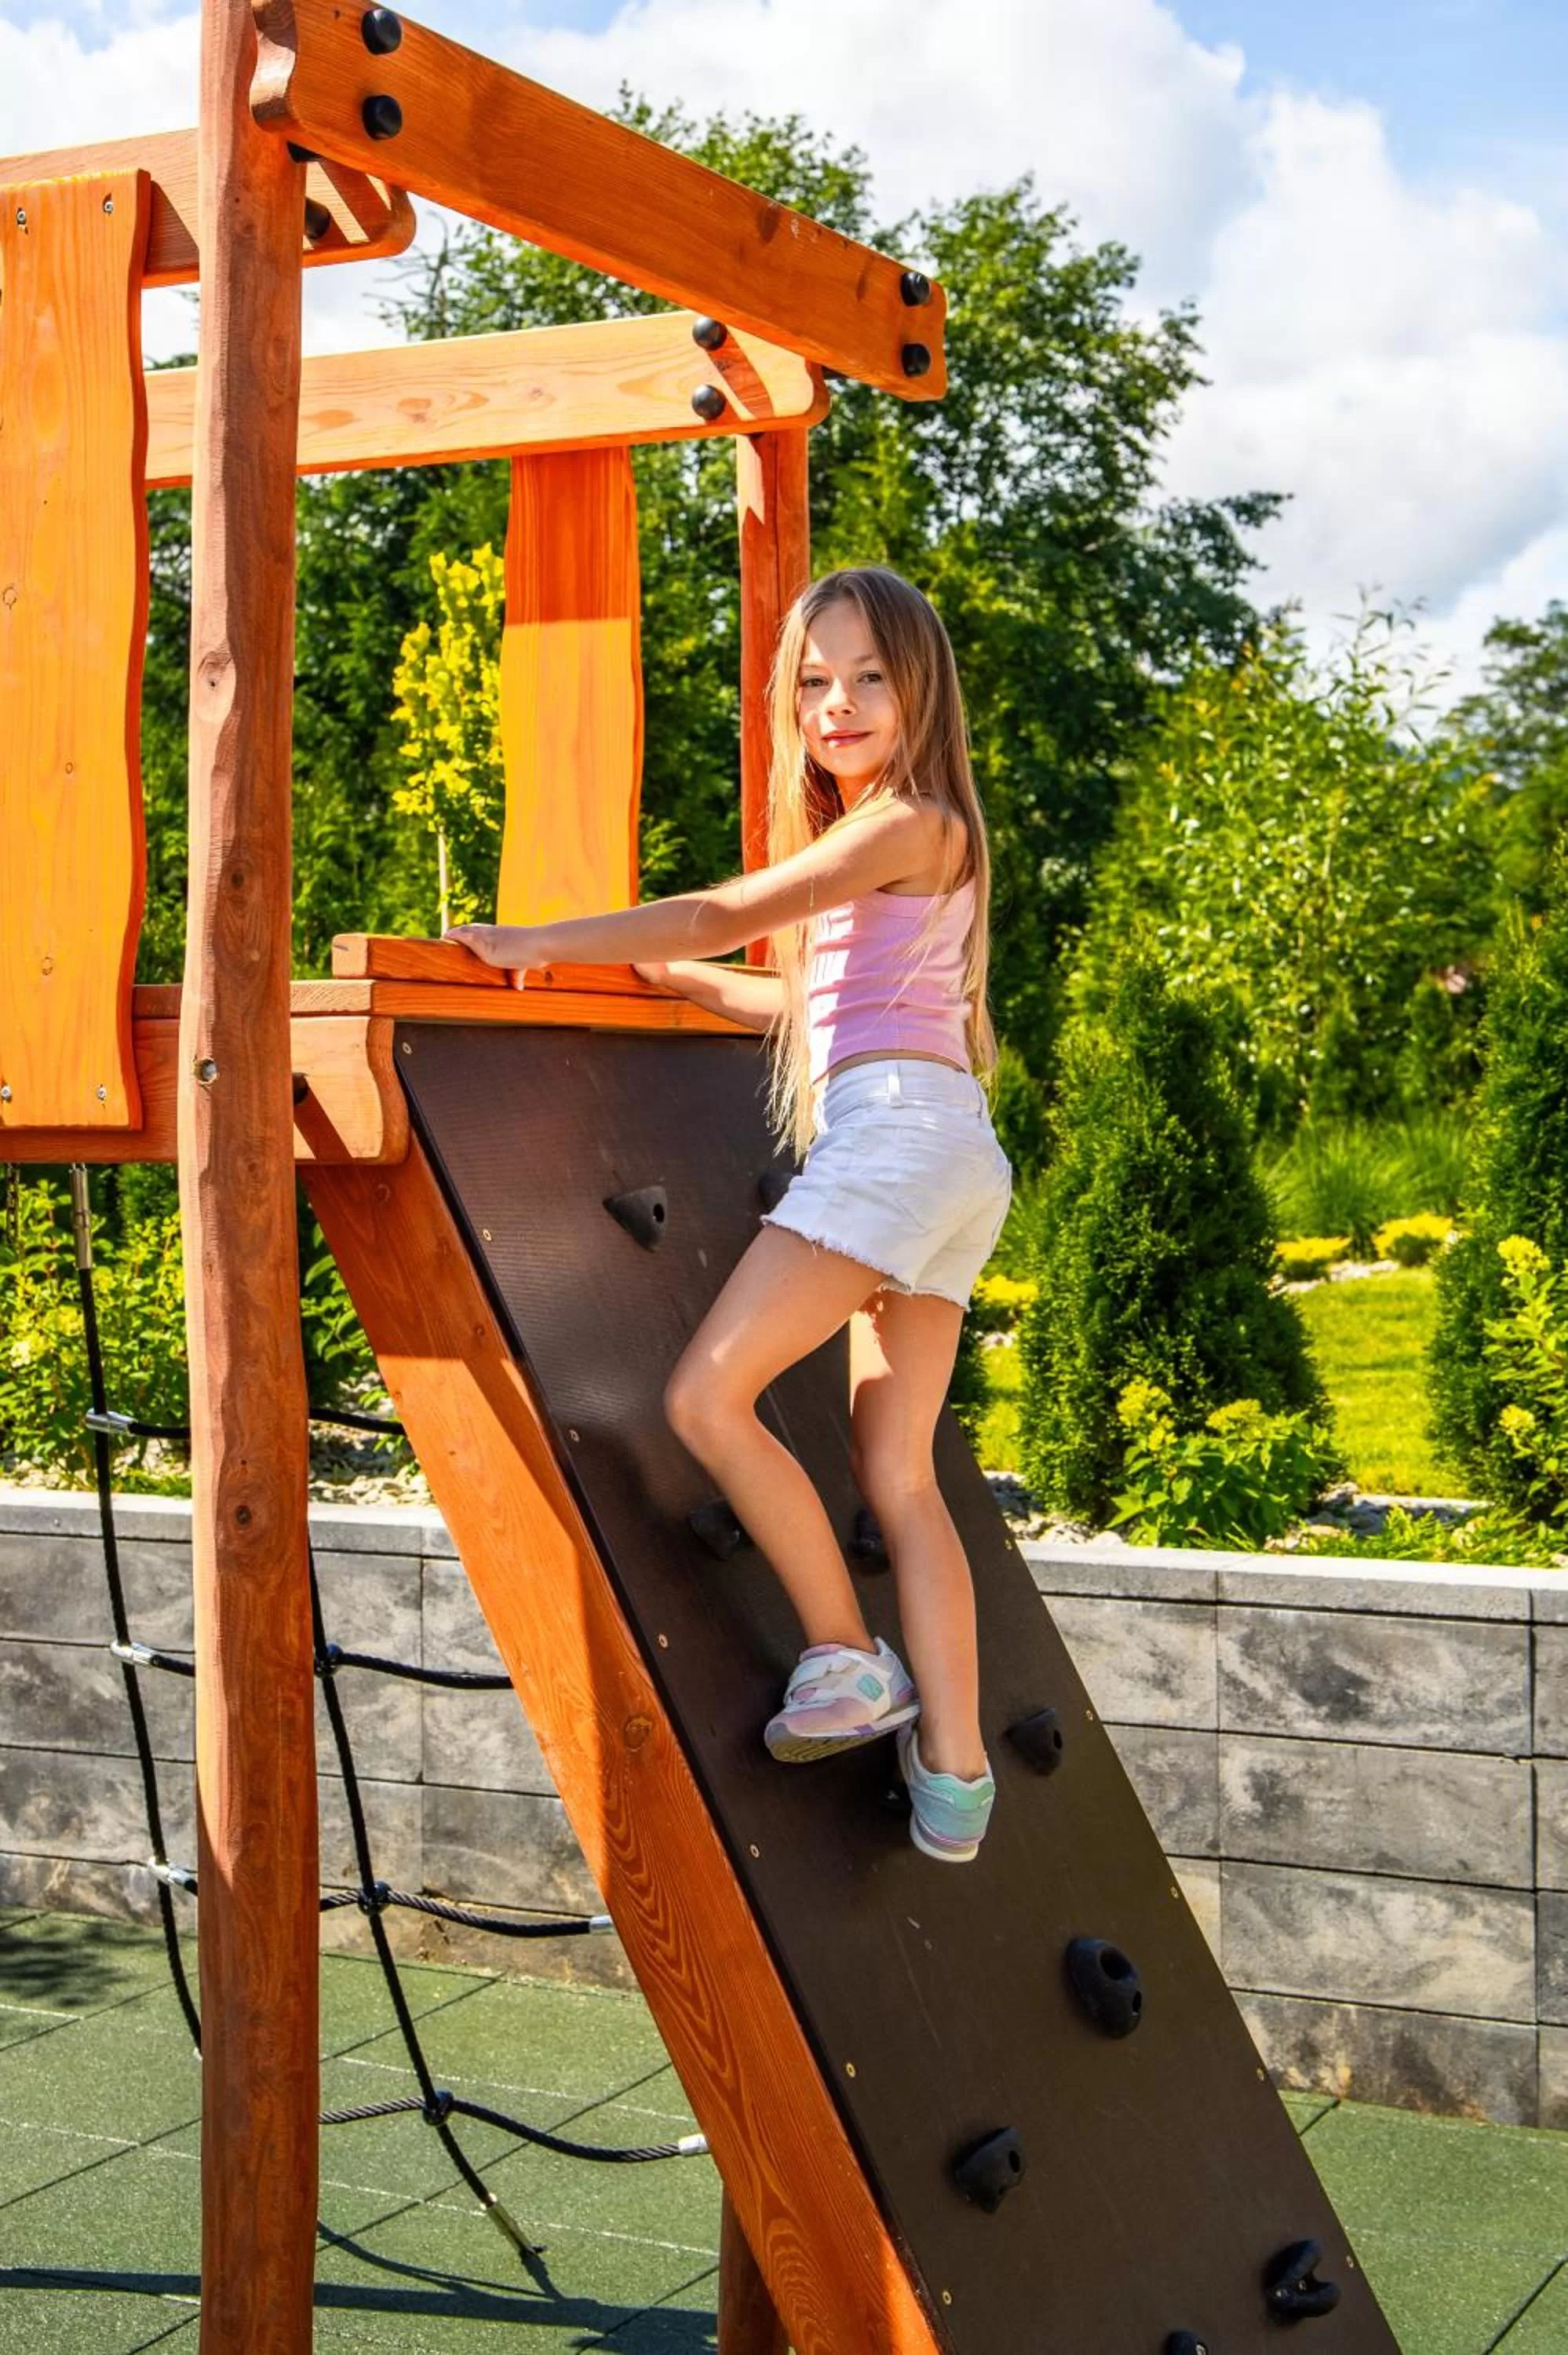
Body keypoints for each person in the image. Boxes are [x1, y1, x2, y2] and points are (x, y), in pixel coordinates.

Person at [446, 565, 1012, 1862]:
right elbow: (808, 1008)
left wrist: (541, 938)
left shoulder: (903, 820)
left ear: (922, 686)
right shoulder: (919, 843)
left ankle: (842, 1655)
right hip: (953, 1154)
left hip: (896, 1151)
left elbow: (727, 907)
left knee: (708, 1395)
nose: (838, 703)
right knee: (900, 1474)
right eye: (813, 682)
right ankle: (958, 1780)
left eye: (869, 676)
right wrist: (691, 986)